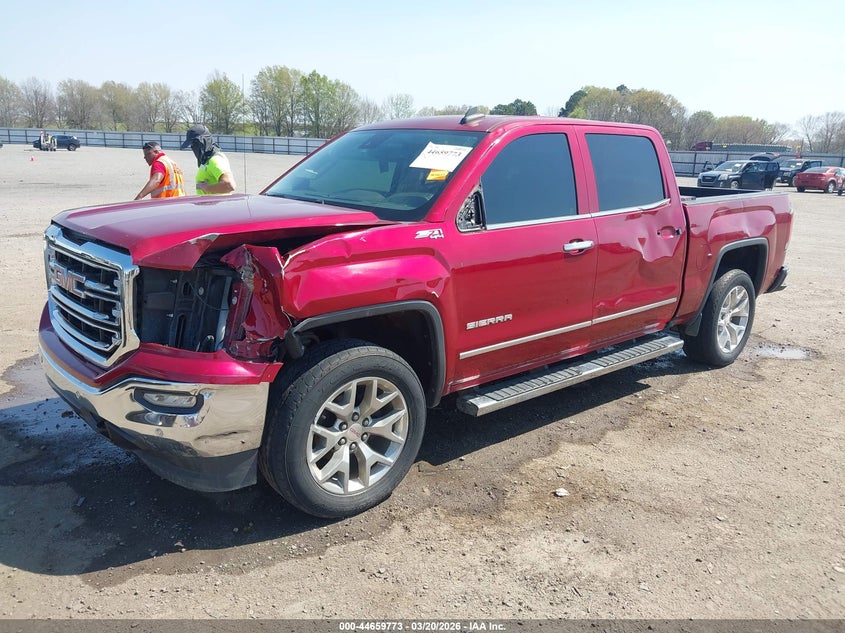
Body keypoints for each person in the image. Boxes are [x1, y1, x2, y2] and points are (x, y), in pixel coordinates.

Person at [180, 124, 236, 195]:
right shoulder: (207, 160)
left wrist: (208, 188)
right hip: (207, 205)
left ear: (203, 141)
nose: (193, 147)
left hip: (216, 205)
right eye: (192, 144)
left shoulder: (215, 160)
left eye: (195, 143)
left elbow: (229, 185)